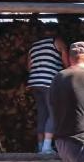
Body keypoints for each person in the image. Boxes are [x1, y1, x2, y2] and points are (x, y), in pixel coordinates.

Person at [27, 23, 69, 154]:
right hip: (49, 82)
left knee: (42, 114)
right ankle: (46, 147)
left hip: (35, 82)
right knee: (53, 114)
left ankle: (40, 147)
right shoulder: (57, 41)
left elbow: (29, 67)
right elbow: (66, 63)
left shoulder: (34, 46)